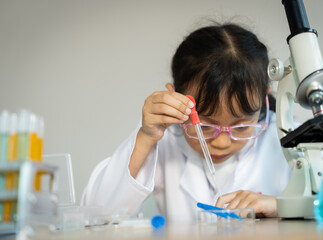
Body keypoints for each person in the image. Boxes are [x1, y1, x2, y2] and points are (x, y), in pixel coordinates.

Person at [81, 23, 291, 222]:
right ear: (175, 97)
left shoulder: (289, 138)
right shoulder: (165, 142)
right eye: (205, 127)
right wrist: (146, 137)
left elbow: (322, 207)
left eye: (242, 126)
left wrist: (282, 206)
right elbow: (97, 214)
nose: (222, 143)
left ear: (264, 97)